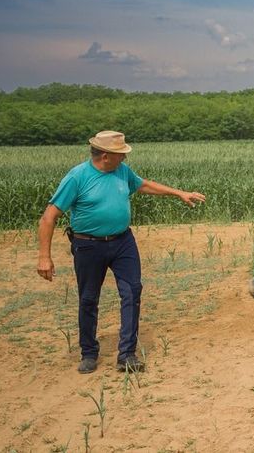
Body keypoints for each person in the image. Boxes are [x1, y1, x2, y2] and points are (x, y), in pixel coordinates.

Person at [36, 131, 206, 374]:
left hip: (122, 242)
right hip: (88, 246)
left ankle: (126, 354)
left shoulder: (122, 172)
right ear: (106, 156)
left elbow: (143, 185)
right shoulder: (77, 177)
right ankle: (89, 353)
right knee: (88, 298)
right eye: (120, 154)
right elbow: (48, 217)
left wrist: (178, 193)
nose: (124, 159)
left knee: (132, 292)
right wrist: (44, 256)